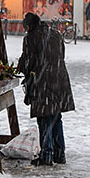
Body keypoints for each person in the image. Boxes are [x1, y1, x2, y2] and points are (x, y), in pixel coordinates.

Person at [17, 12, 75, 166]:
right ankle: (59, 153)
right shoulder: (55, 34)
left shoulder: (30, 38)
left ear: (29, 26)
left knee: (44, 119)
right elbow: (61, 55)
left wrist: (21, 66)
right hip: (59, 80)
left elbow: (28, 63)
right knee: (56, 117)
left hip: (43, 82)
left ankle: (46, 155)